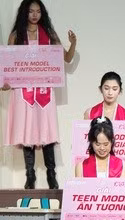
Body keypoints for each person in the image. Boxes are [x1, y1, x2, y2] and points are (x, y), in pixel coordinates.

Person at [2, 0, 77, 189]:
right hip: (23, 92)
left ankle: (52, 175)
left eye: (38, 11)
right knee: (27, 130)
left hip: (44, 91)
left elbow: (67, 58)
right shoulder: (16, 36)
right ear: (24, 13)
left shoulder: (49, 34)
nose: (35, 15)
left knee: (46, 130)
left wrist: (73, 44)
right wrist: (5, 83)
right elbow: (8, 65)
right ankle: (30, 175)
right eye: (31, 11)